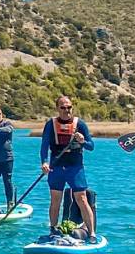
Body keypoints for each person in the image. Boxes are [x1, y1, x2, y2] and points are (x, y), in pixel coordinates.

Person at [40, 95, 95, 239]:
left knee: (82, 199)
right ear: (58, 109)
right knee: (55, 200)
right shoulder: (50, 124)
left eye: (69, 107)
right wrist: (44, 162)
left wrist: (83, 141)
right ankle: (53, 230)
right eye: (63, 107)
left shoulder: (80, 124)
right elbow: (44, 146)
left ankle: (92, 233)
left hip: (75, 167)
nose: (66, 110)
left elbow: (91, 146)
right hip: (56, 167)